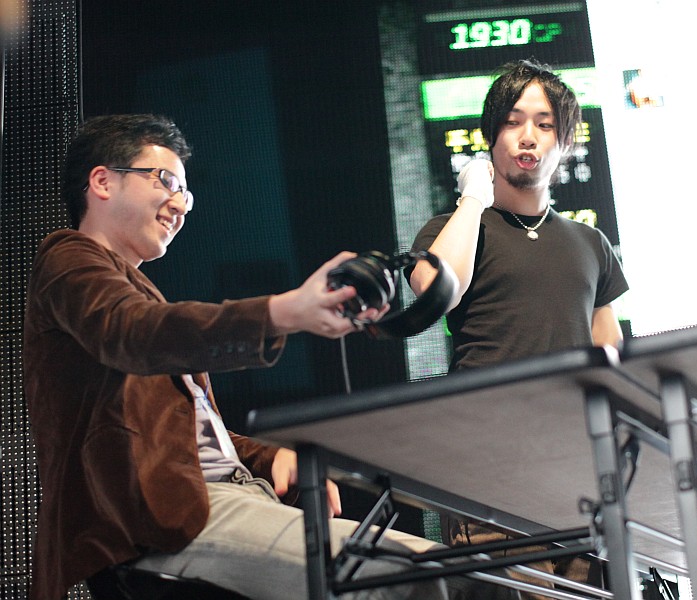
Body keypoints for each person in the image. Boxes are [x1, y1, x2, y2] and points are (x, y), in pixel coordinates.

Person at [23, 114, 520, 600]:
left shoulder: (138, 293)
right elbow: (133, 333)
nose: (180, 204)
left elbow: (186, 438)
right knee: (413, 576)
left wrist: (273, 455)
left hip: (225, 499)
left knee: (474, 578)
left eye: (186, 194)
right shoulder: (67, 257)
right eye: (167, 181)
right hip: (161, 521)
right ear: (102, 182)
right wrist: (284, 311)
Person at [408, 59, 630, 596]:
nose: (527, 136)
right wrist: (472, 199)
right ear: (491, 136)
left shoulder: (590, 243)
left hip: (578, 471)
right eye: (512, 121)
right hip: (490, 466)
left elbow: (611, 356)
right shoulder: (450, 229)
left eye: (544, 124)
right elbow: (435, 291)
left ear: (565, 142)